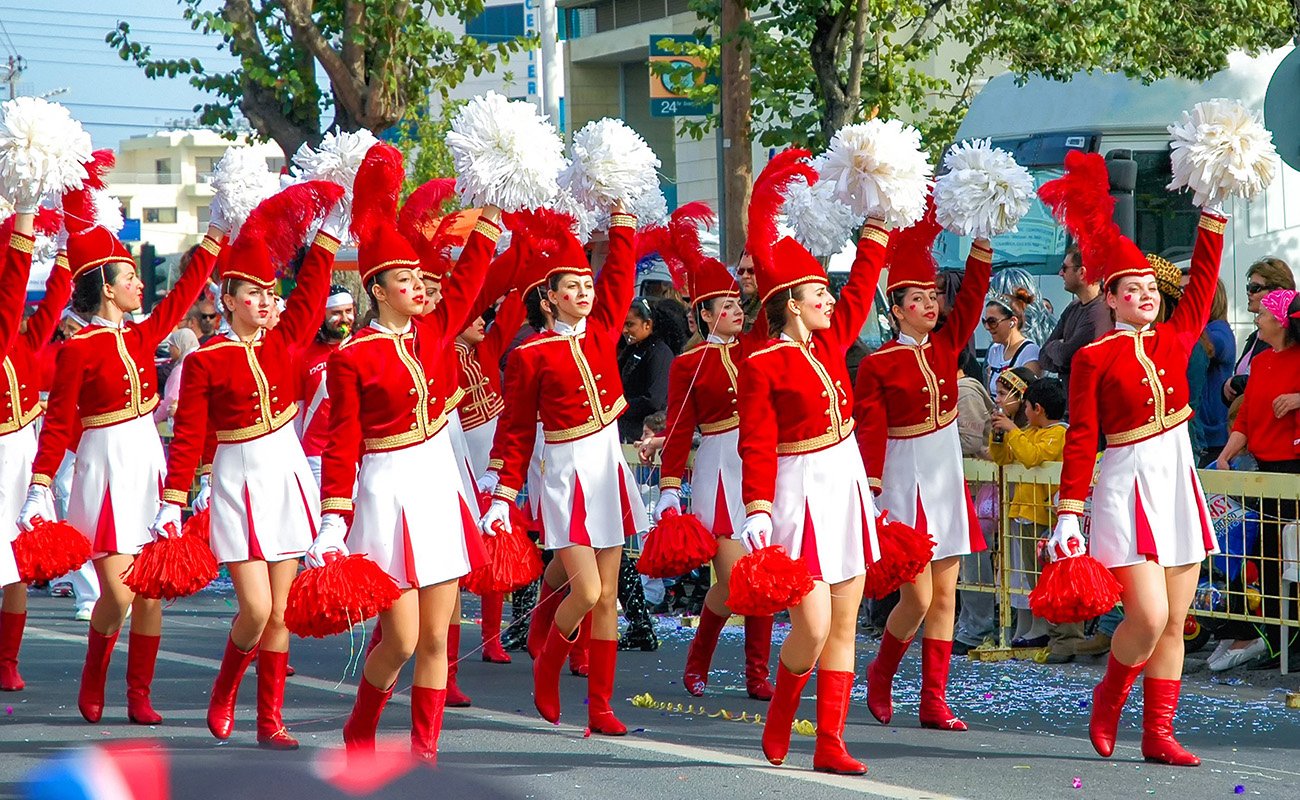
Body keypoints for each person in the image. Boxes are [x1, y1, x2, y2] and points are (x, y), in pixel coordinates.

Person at [1041, 150, 1226, 767]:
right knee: (1144, 618)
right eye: (1134, 290)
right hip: (1124, 484)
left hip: (1175, 481)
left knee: (1175, 620)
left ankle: (1159, 733)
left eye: (1151, 288)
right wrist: (1069, 511)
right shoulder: (1093, 358)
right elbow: (1081, 436)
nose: (1147, 295)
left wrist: (1213, 213)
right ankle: (1110, 697)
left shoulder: (1176, 335)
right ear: (1112, 299)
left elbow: (1202, 280)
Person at [316, 147, 502, 762]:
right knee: (396, 637)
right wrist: (334, 519)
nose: (420, 288)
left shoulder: (435, 330)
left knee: (435, 637)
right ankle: (361, 727)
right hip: (386, 489)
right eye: (407, 281)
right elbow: (342, 440)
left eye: (422, 280)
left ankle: (425, 753)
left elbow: (473, 275)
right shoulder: (352, 357)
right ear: (376, 288)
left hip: (435, 484)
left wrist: (492, 206)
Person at [19, 179, 225, 726]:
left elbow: (183, 294)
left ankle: (138, 694)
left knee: (153, 591)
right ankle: (94, 672)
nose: (140, 285)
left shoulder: (141, 336)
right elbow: (59, 423)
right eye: (130, 277)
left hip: (149, 466)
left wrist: (215, 236)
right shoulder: (77, 349)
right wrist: (40, 486)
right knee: (121, 591)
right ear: (107, 288)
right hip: (103, 470)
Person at [152, 183, 344, 749]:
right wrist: (174, 499)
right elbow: (188, 435)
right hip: (236, 479)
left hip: (285, 473)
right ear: (228, 297)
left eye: (270, 292)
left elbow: (310, 291)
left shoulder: (285, 342)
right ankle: (225, 687)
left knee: (281, 613)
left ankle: (269, 720)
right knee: (255, 609)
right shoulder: (206, 359)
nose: (267, 301)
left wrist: (331, 227)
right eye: (254, 293)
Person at [738, 152, 888, 775]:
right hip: (797, 488)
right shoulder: (761, 363)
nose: (830, 299)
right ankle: (784, 705)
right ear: (790, 303)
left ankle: (830, 741)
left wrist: (880, 213)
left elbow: (861, 283)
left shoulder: (831, 342)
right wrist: (758, 509)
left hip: (844, 479)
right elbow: (756, 440)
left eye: (827, 291)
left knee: (846, 621)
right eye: (817, 292)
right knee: (815, 621)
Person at [480, 202, 647, 737]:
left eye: (586, 283)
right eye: (570, 286)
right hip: (563, 472)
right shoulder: (529, 355)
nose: (584, 292)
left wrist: (620, 215)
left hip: (607, 465)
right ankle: (549, 665)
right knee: (589, 591)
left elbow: (620, 274)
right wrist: (503, 494)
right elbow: (516, 430)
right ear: (548, 296)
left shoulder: (601, 331)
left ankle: (600, 706)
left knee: (608, 594)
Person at [855, 206, 993, 735]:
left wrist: (982, 240)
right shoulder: (877, 364)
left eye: (934, 297)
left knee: (945, 596)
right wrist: (870, 490)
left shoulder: (947, 344)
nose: (931, 305)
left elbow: (975, 298)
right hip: (902, 477)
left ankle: (934, 699)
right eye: (919, 299)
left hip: (944, 473)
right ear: (896, 308)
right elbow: (869, 430)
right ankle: (882, 671)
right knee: (914, 596)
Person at [646, 206, 775, 701]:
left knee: (763, 575)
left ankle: (757, 674)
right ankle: (699, 658)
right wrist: (670, 488)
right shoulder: (687, 364)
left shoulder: (757, 348)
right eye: (723, 305)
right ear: (701, 313)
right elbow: (678, 430)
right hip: (721, 470)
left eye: (736, 301)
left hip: (764, 464)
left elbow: (771, 302)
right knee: (739, 578)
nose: (736, 310)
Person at [1210, 289, 1300, 672]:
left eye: (1263, 313)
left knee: (1292, 558)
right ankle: (1276, 638)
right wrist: (1227, 453)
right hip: (1264, 469)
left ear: (1281, 320)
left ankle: (1293, 639)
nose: (1257, 318)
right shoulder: (1261, 361)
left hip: (1293, 468)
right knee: (1266, 560)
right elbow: (1245, 419)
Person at [0, 205, 63, 693]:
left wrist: (65, 247)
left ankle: (7, 661)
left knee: (18, 562)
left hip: (22, 450)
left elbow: (55, 297)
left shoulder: (25, 338)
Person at [989, 373, 1074, 661]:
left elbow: (1032, 456)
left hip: (1043, 517)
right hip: (1022, 513)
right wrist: (999, 437)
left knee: (1043, 578)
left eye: (1026, 406)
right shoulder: (1031, 432)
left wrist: (1012, 430)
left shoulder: (1060, 433)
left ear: (1037, 409)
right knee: (1030, 577)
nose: (1023, 412)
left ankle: (1047, 630)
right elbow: (1004, 458)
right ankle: (1038, 628)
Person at [295, 286, 356, 486]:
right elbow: (297, 409)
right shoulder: (304, 354)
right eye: (336, 313)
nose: (345, 318)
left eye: (349, 311)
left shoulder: (361, 347)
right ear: (322, 315)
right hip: (316, 454)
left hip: (356, 452)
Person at [1039, 246, 1112, 393]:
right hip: (1069, 404)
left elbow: (1068, 355)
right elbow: (1043, 357)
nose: (1060, 273)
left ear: (1082, 272)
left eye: (1064, 268)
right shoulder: (1073, 307)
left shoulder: (1100, 312)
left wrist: (1057, 349)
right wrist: (1062, 354)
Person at [1224, 257, 1295, 402]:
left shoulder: (1286, 339)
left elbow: (1269, 384)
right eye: (1248, 288)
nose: (1249, 293)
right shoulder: (1256, 336)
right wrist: (1228, 387)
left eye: (1255, 288)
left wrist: (1234, 383)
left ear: (1278, 293)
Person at [617, 297, 674, 442]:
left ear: (647, 324)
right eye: (622, 324)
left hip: (647, 434)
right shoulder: (629, 351)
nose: (624, 330)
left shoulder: (660, 353)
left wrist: (620, 408)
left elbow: (654, 400)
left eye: (630, 324)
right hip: (627, 431)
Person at [1193, 280, 1234, 466]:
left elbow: (1216, 345)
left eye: (1190, 291)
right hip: (1202, 433)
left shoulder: (1220, 330)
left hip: (1213, 438)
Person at [983, 288, 1041, 397]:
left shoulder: (1030, 352)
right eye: (984, 321)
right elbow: (988, 394)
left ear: (1012, 322)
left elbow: (1028, 397)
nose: (987, 327)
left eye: (992, 322)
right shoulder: (994, 350)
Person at [154, 328, 199, 426]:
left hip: (179, 423)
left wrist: (155, 420)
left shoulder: (180, 370)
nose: (169, 350)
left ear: (180, 346)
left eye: (171, 346)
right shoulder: (198, 365)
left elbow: (170, 400)